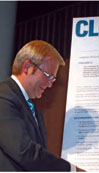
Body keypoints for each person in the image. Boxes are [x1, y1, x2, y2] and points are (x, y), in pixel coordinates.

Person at [0, 40, 85, 171]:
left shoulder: (35, 112)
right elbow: (23, 151)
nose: (50, 84)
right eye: (48, 76)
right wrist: (71, 170)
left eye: (53, 79)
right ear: (27, 67)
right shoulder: (4, 96)